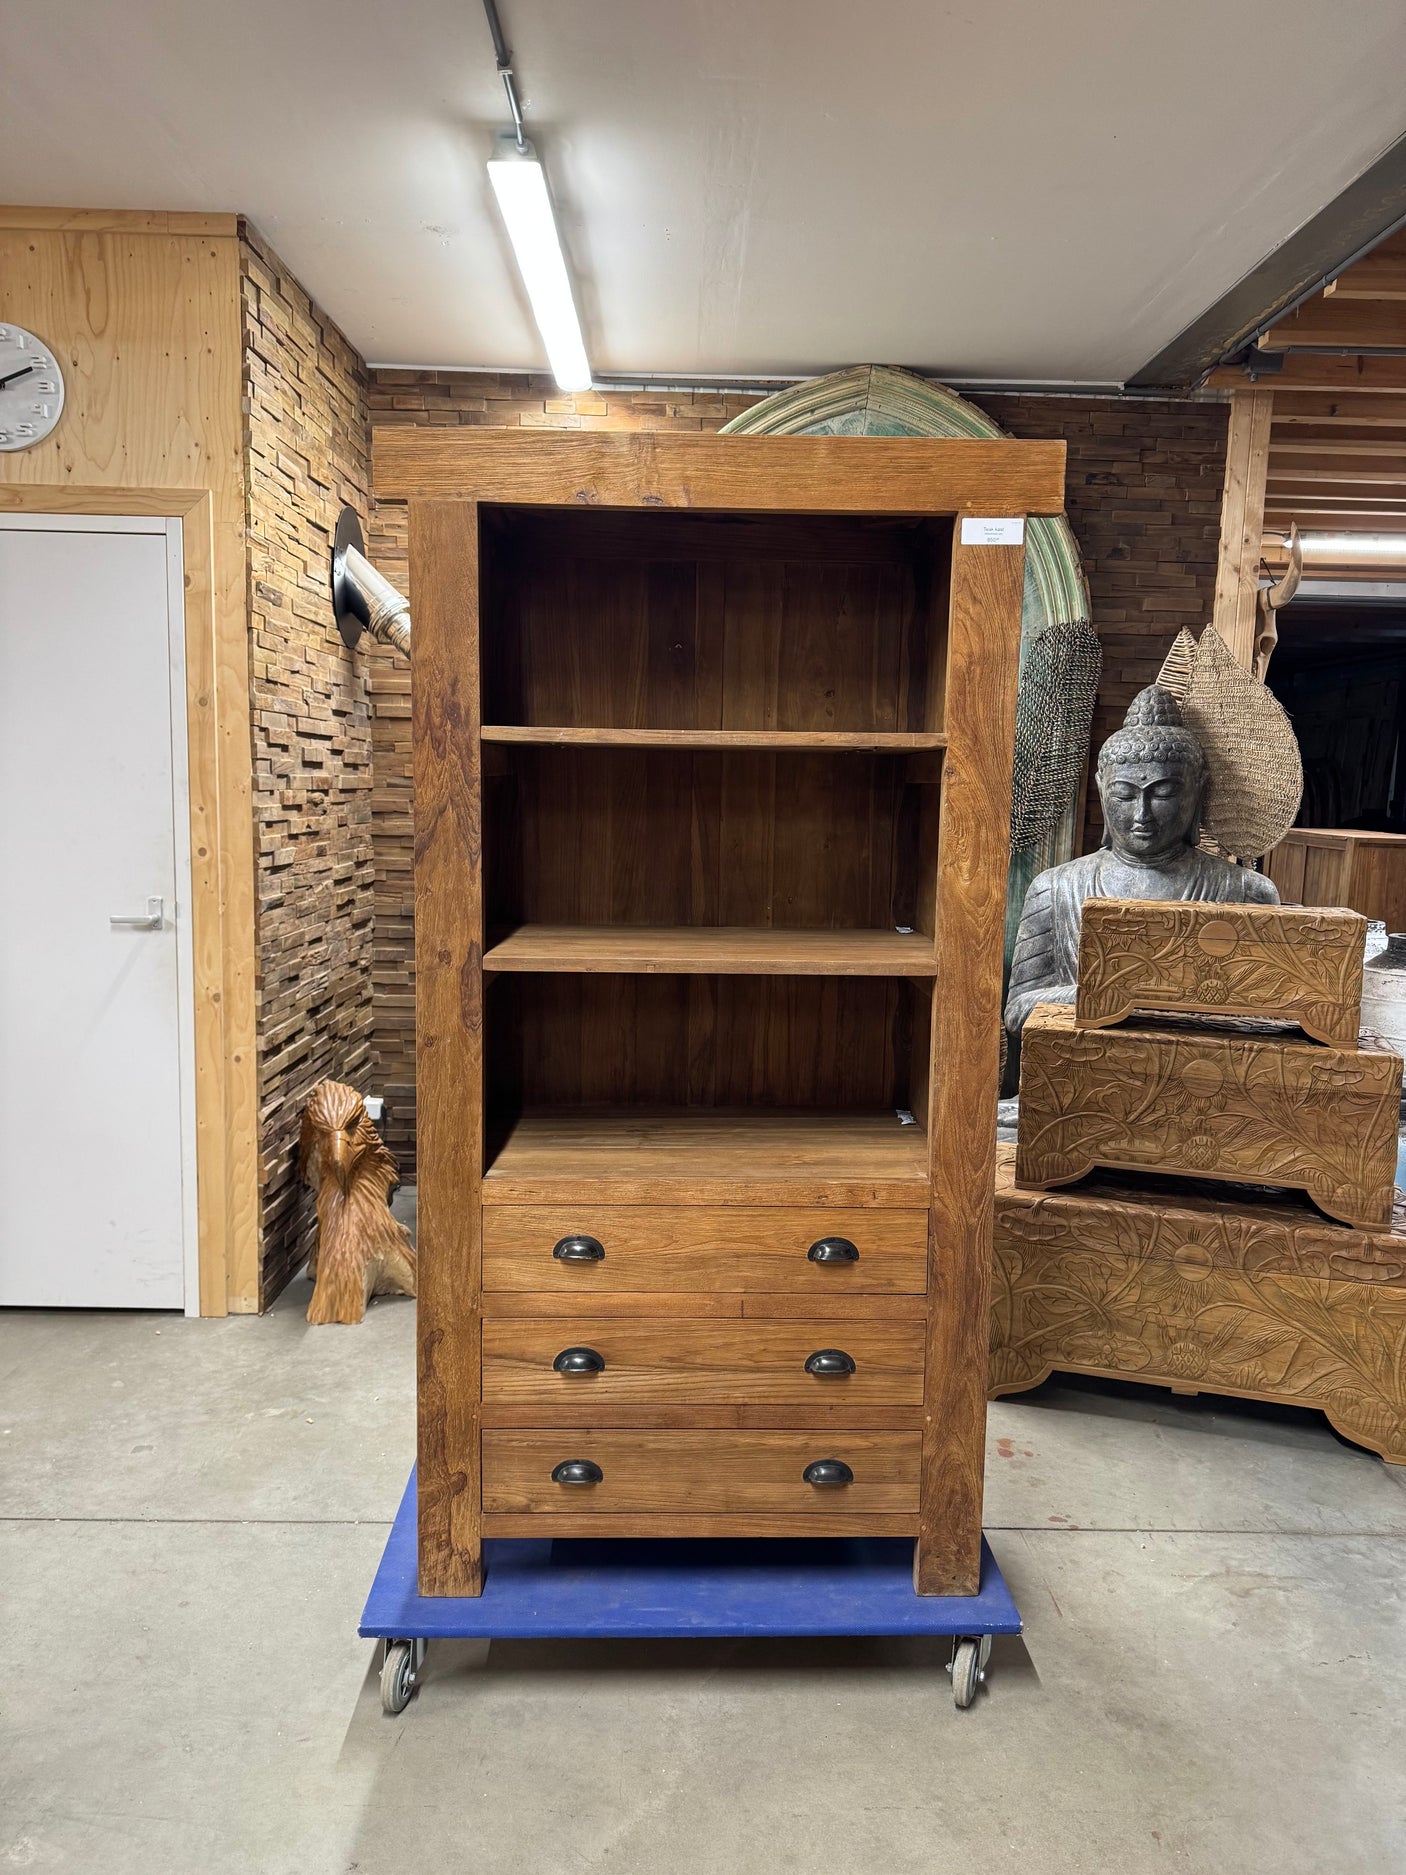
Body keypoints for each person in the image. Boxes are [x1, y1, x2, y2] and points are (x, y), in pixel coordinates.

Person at [1005, 683, 1278, 1041]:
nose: (1141, 814)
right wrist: (1117, 996)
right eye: (1124, 794)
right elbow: (1017, 1011)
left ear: (1197, 791)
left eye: (1163, 793)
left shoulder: (1246, 891)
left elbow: (1270, 1015)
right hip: (1080, 1073)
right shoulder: (1055, 888)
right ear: (1103, 791)